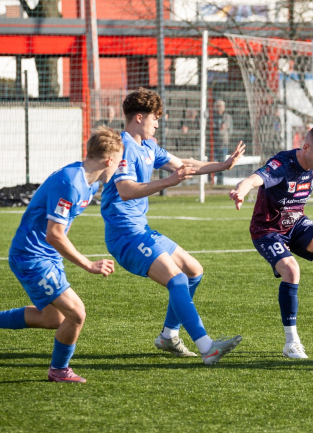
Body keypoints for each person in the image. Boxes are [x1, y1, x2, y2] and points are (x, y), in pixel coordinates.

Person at [0, 126, 125, 383]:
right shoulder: (71, 183)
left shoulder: (89, 183)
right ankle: (59, 370)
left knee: (53, 318)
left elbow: (61, 228)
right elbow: (54, 235)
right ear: (109, 161)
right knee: (77, 314)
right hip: (31, 256)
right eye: (119, 162)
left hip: (47, 256)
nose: (119, 168)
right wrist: (88, 264)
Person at [101, 89, 246, 365]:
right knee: (177, 279)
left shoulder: (148, 147)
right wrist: (169, 181)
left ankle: (168, 336)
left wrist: (223, 165)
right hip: (124, 235)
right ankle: (207, 348)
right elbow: (126, 190)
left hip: (140, 230)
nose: (158, 123)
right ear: (139, 117)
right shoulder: (122, 147)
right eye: (155, 118)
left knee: (193, 270)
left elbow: (186, 165)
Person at [229, 124, 313, 359]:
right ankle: (291, 343)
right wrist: (241, 190)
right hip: (267, 230)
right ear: (306, 147)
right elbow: (253, 179)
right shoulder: (282, 165)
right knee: (292, 271)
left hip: (295, 223)